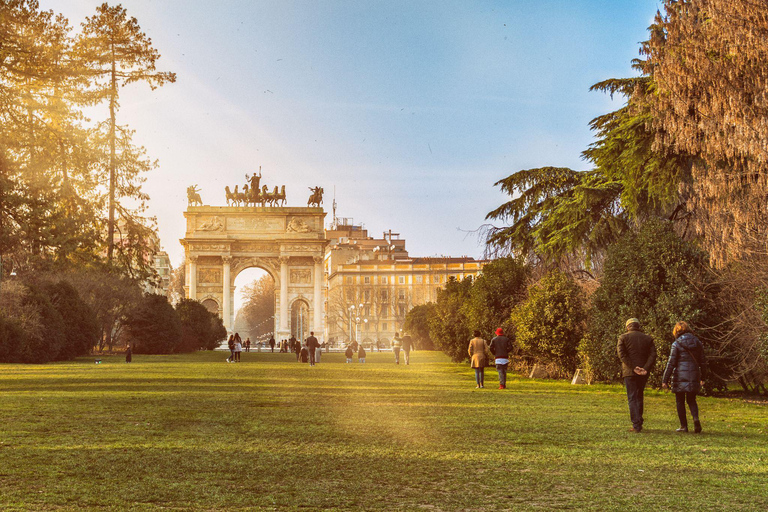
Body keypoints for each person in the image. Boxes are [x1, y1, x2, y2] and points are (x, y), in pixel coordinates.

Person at [662, 321, 707, 433]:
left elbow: (671, 363)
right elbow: (703, 362)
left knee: (680, 401)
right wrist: (704, 377)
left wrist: (665, 380)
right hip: (694, 374)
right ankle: (695, 419)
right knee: (692, 400)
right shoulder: (697, 343)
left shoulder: (676, 344)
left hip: (680, 376)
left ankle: (683, 426)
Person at [617, 318, 657, 433]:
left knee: (632, 397)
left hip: (629, 372)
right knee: (639, 396)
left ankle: (636, 424)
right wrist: (645, 368)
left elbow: (622, 355)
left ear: (627, 327)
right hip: (643, 373)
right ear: (638, 326)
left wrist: (633, 367)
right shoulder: (648, 338)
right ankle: (639, 421)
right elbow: (653, 355)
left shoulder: (623, 338)